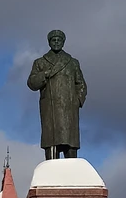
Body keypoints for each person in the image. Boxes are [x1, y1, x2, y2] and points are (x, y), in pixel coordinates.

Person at [27, 30, 87, 159]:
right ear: (49, 42)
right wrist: (45, 74)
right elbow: (32, 83)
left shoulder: (72, 62)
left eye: (59, 40)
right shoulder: (40, 62)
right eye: (53, 40)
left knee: (70, 145)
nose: (56, 42)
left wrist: (77, 101)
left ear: (63, 42)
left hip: (69, 109)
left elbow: (81, 84)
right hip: (50, 109)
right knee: (51, 144)